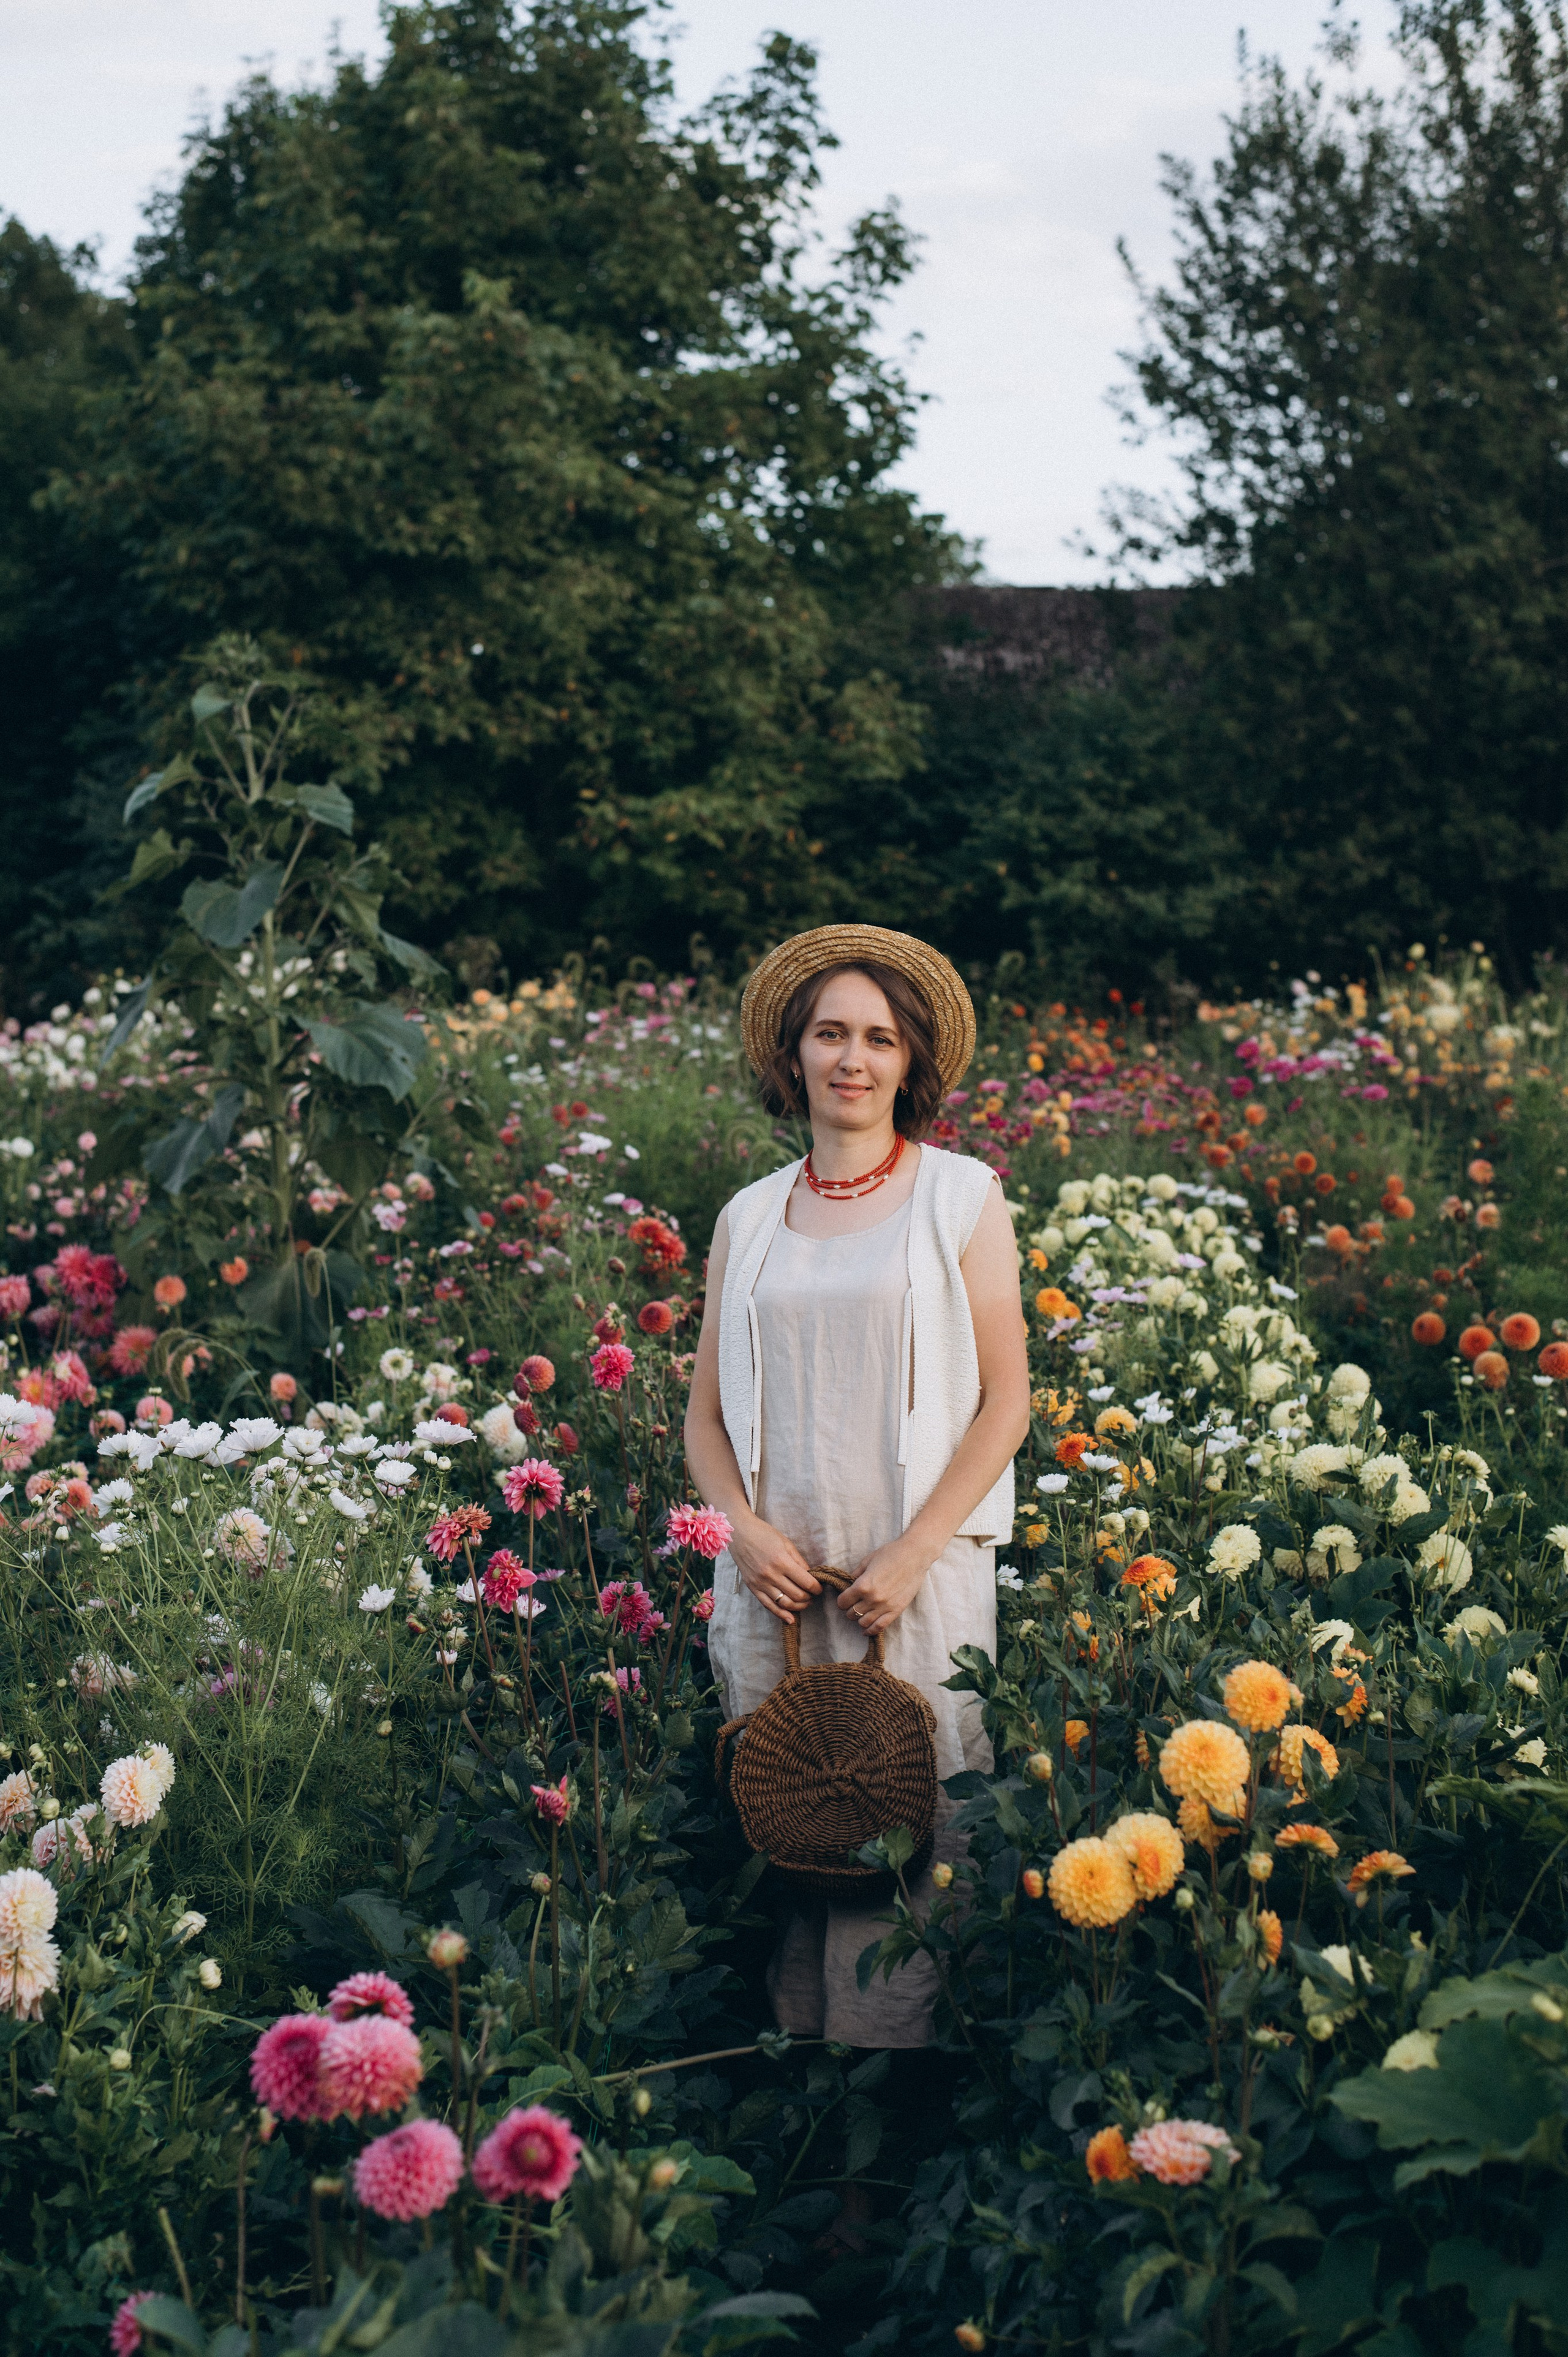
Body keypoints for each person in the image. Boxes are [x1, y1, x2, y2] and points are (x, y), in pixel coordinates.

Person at [684, 923, 1029, 2047]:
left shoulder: (962, 1199)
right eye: (830, 1032)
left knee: (918, 1834)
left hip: (909, 1581)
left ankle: (889, 2137)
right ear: (792, 1057)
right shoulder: (749, 1216)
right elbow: (704, 1418)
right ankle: (801, 2098)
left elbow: (1007, 1404)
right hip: (781, 1588)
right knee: (799, 1825)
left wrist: (917, 1550)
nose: (853, 1058)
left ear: (908, 1063)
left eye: (879, 1038)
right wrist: (741, 1531)